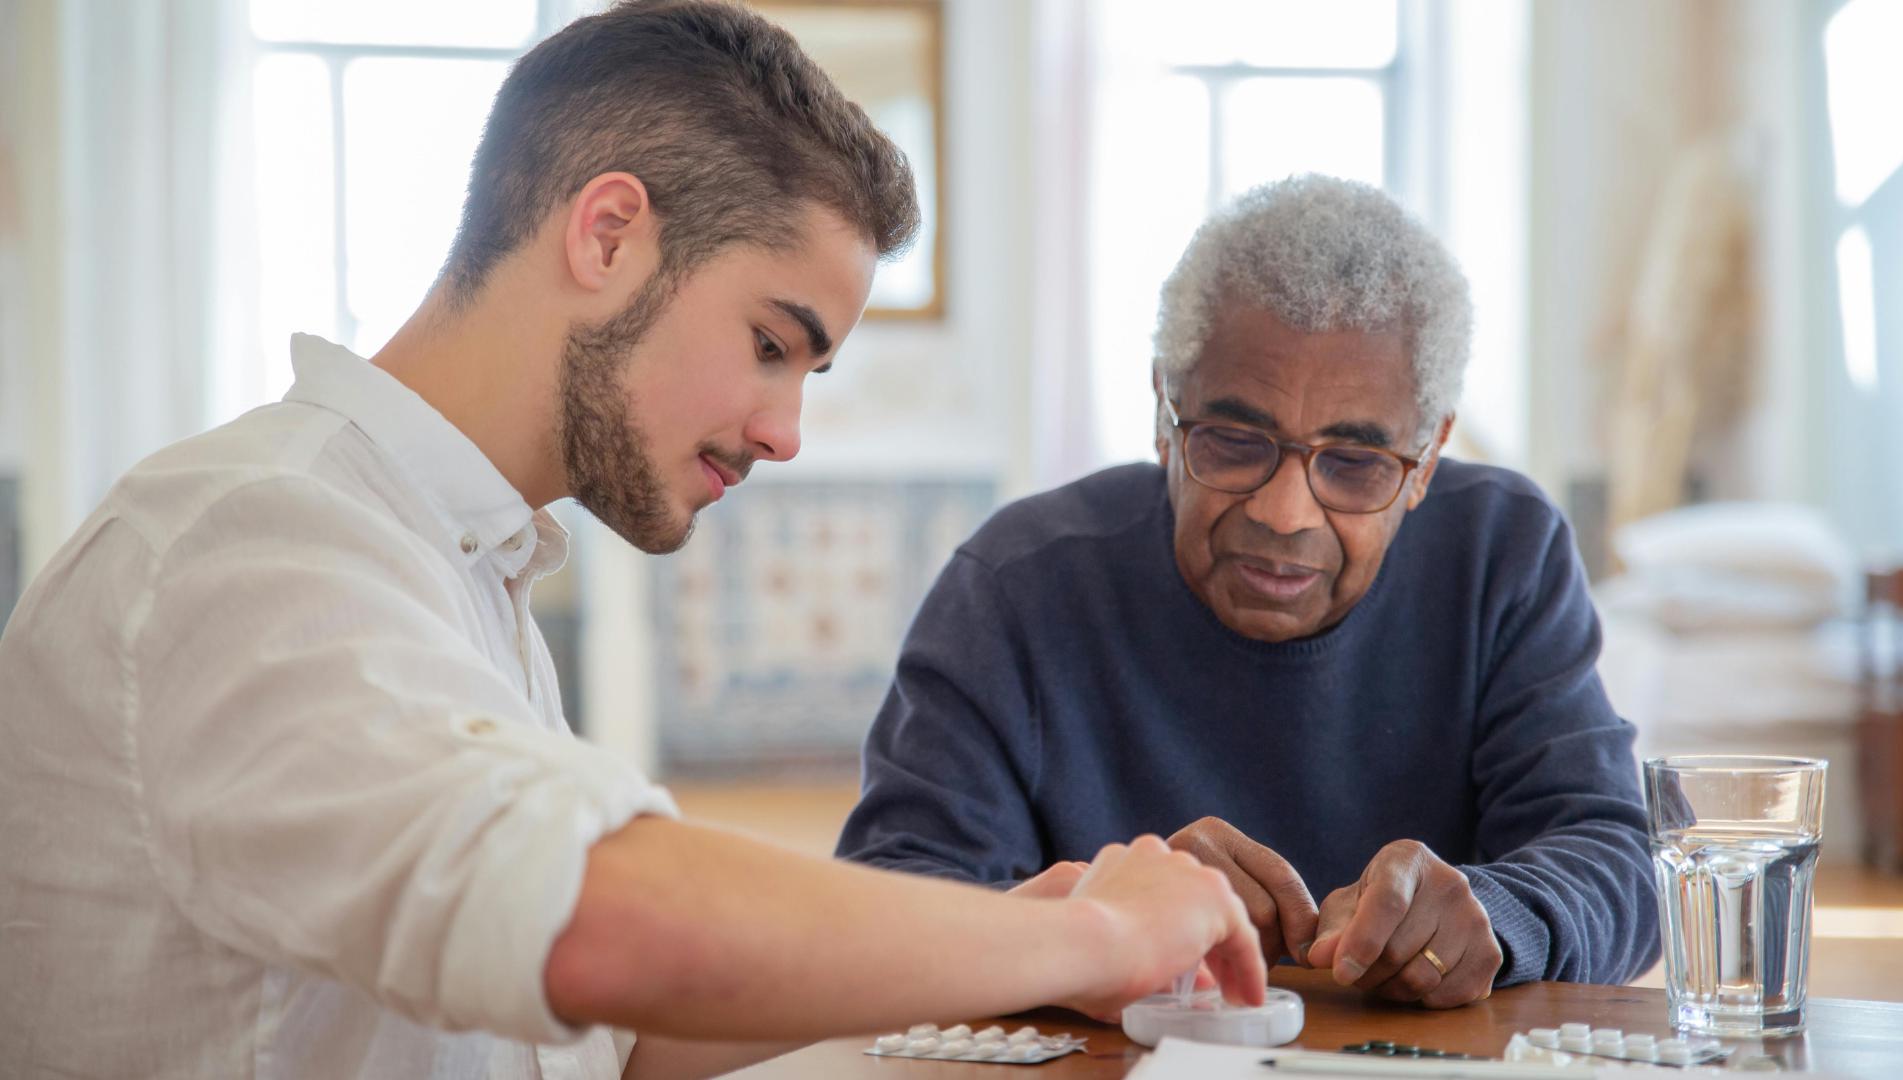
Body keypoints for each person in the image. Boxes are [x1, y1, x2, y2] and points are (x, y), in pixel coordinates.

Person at [0, 4, 1265, 1077]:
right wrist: (1094, 941)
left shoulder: (454, 563)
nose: (787, 434)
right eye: (773, 345)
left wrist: (986, 934)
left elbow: (594, 1028)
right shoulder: (248, 540)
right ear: (608, 235)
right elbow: (597, 925)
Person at [838, 174, 1663, 1010]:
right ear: (1164, 411)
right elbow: (890, 908)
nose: (1282, 512)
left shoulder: (1503, 555)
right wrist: (1106, 916)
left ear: (1428, 457)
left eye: (1355, 464)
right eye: (1234, 442)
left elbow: (1618, 859)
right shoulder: (1017, 586)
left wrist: (1500, 911)